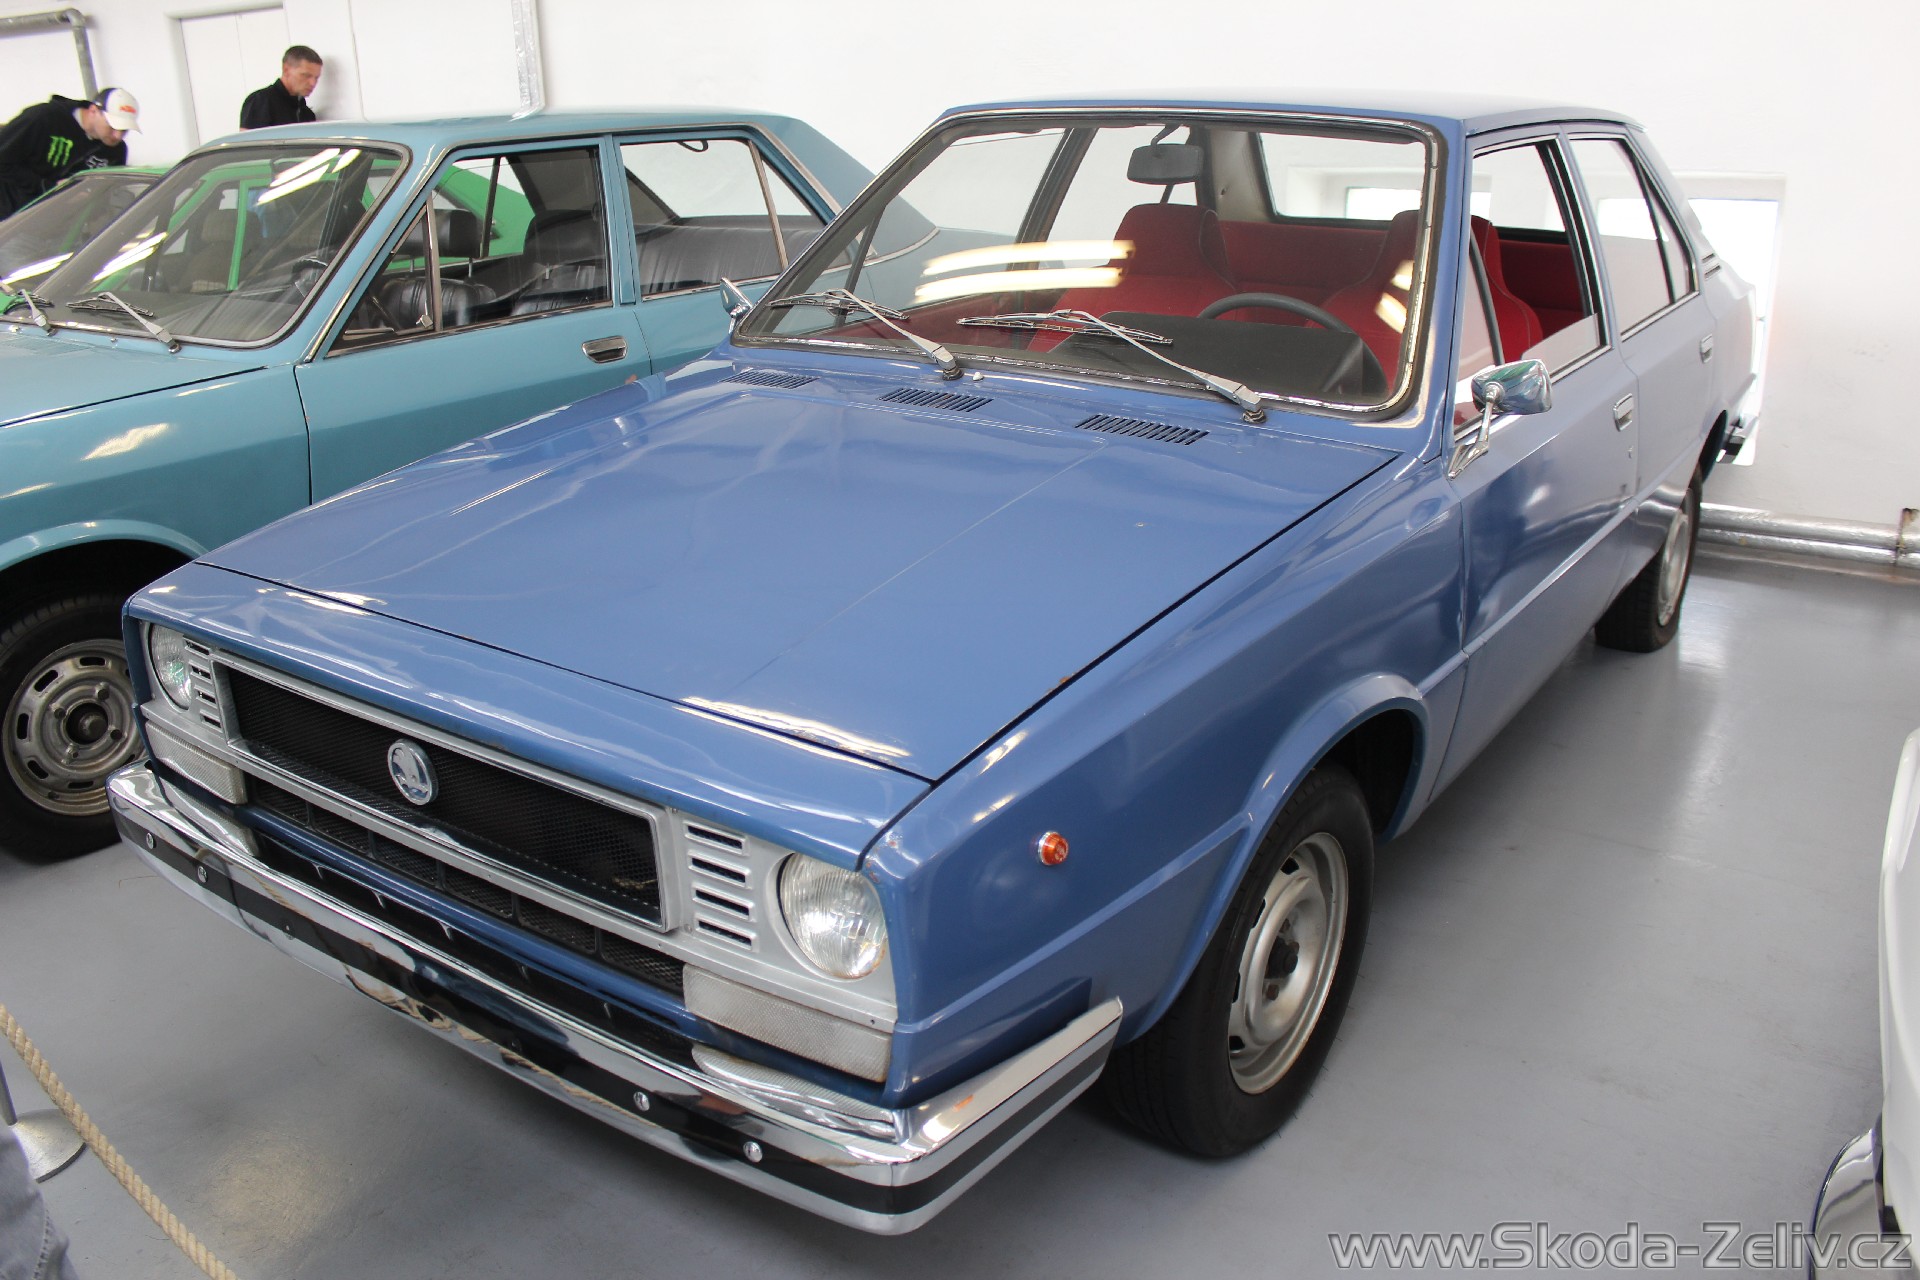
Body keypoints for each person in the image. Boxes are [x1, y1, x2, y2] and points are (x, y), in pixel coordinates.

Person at [0, 88, 137, 220]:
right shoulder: (44, 118)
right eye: (112, 126)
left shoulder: (116, 151)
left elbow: (104, 196)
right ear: (93, 111)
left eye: (125, 130)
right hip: (9, 214)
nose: (118, 136)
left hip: (55, 224)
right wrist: (50, 187)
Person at [239, 46, 322, 130]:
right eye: (306, 75)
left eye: (316, 78)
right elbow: (247, 138)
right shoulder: (261, 101)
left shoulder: (306, 113)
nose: (313, 83)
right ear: (286, 70)